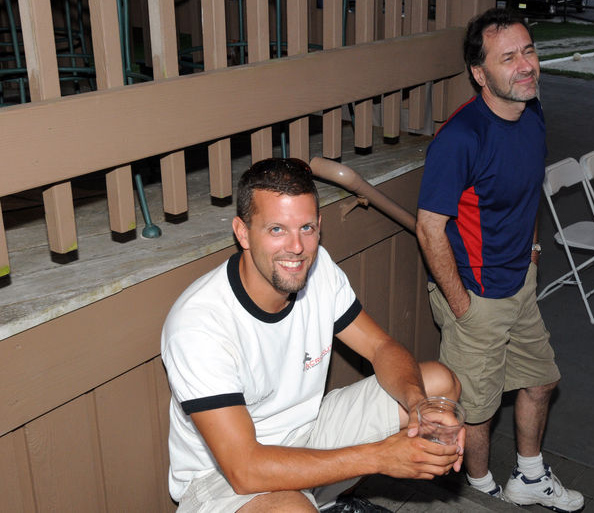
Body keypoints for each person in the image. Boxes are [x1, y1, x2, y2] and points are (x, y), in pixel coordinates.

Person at [162, 157, 465, 513]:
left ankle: (323, 499)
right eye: (277, 229)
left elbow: (380, 346)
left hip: (307, 431)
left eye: (306, 228)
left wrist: (417, 405)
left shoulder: (318, 267)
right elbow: (244, 469)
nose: (296, 247)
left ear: (319, 225)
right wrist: (380, 457)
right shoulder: (200, 324)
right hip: (223, 477)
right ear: (242, 232)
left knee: (438, 385)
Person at [415, 8, 584, 512]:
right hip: (478, 297)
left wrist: (532, 252)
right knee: (476, 411)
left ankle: (528, 477)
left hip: (520, 282)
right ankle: (481, 490)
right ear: (480, 73)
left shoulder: (532, 113)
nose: (525, 65)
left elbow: (528, 191)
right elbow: (429, 227)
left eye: (528, 50)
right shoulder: (461, 138)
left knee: (542, 380)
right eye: (507, 58)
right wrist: (462, 306)